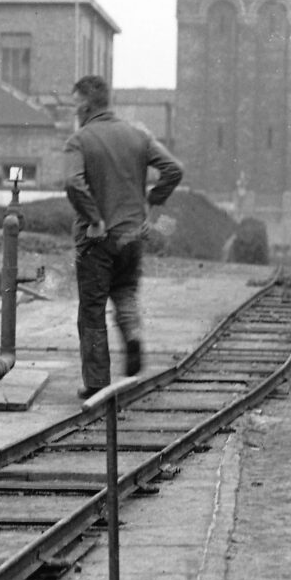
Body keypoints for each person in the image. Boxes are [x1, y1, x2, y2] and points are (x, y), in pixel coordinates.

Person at [63, 75, 184, 398]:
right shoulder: (138, 135)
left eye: (76, 105)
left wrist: (94, 218)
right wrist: (152, 202)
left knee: (92, 309)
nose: (75, 112)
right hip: (132, 234)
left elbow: (74, 183)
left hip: (96, 240)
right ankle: (132, 334)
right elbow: (174, 169)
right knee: (125, 292)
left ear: (86, 106)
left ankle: (96, 384)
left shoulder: (80, 140)